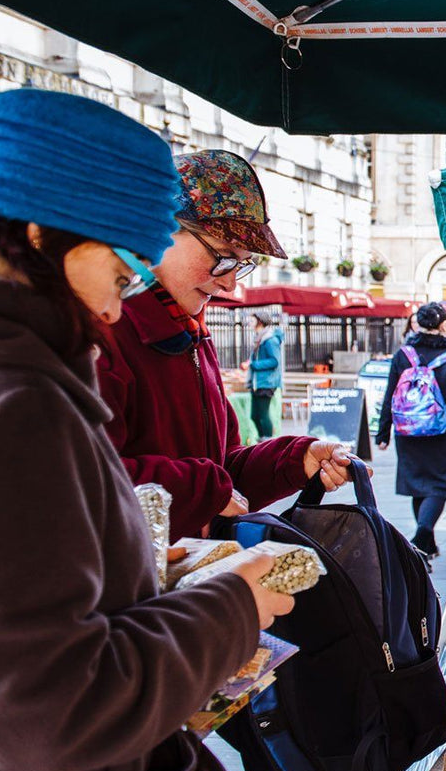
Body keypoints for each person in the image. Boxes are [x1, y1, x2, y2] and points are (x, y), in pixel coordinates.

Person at [0, 89, 289, 771]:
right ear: (40, 233)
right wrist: (232, 607)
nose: (117, 307)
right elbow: (48, 706)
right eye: (122, 269)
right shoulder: (18, 402)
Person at [95, 149, 356, 542]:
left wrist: (294, 459)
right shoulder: (106, 331)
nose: (230, 283)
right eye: (223, 257)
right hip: (132, 574)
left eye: (241, 264)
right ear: (159, 229)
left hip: (188, 569)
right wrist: (203, 489)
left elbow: (223, 471)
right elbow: (83, 480)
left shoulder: (192, 334)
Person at [375, 302, 446, 560]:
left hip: (408, 430)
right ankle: (421, 541)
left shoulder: (404, 355)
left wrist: (383, 432)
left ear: (419, 324)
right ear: (444, 325)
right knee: (438, 485)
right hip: (444, 432)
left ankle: (427, 544)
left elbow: (390, 394)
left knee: (418, 485)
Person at [245, 311, 283, 440]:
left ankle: (268, 441)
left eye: (252, 320)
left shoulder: (270, 340)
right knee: (255, 416)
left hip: (266, 382)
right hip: (257, 382)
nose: (249, 323)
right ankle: (262, 441)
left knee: (263, 414)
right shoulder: (260, 339)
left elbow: (274, 361)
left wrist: (254, 364)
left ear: (260, 322)